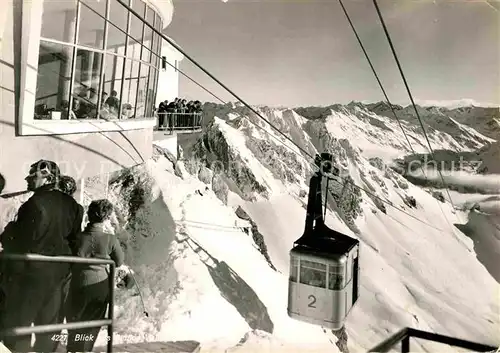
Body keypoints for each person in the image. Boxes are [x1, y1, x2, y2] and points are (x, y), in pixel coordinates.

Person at [0, 160, 84, 352]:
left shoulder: (33, 204)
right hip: (58, 277)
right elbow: (75, 241)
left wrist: (9, 232)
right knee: (48, 329)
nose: (27, 179)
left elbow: (22, 240)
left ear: (47, 178)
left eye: (33, 176)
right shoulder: (74, 206)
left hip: (29, 277)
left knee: (18, 327)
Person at [66, 199, 124, 353]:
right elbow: (119, 261)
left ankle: (72, 349)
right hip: (100, 285)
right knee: (92, 323)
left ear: (89, 214)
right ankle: (85, 349)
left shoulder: (77, 238)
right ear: (106, 217)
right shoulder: (110, 239)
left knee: (74, 320)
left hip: (77, 283)